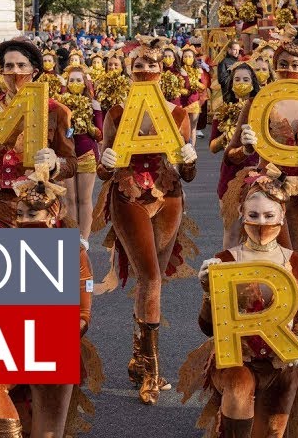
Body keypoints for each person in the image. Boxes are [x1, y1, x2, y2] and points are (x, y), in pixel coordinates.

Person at [179, 165, 298, 438]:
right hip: (237, 361)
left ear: (282, 216)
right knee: (239, 398)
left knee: (270, 433)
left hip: (280, 363)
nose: (262, 222)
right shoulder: (224, 261)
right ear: (241, 215)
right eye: (253, 215)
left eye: (269, 215)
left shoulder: (296, 263)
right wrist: (208, 293)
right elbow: (209, 328)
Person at [94, 37, 199, 405]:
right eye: (138, 65)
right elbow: (104, 170)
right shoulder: (118, 112)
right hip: (128, 195)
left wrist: (188, 158)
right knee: (150, 277)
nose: (145, 71)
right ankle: (153, 372)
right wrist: (104, 164)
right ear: (129, 70)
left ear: (162, 69)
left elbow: (188, 174)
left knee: (151, 280)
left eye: (152, 65)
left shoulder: (178, 114)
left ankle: (140, 357)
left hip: (168, 196)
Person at [0, 162, 99, 438]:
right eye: (20, 214)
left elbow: (83, 313)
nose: (25, 220)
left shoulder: (73, 253)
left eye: (33, 213)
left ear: (52, 215)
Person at [228, 27, 298, 263]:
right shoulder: (257, 104)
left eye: (295, 65)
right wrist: (246, 148)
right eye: (283, 64)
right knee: (277, 260)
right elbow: (230, 156)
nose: (289, 70)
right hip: (268, 190)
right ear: (275, 67)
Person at [0, 38, 77, 228]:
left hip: (38, 209)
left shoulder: (57, 112)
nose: (15, 71)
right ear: (1, 72)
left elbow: (72, 163)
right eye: (8, 66)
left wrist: (54, 164)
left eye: (21, 65)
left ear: (34, 71)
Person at [211, 62, 260, 246]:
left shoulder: (262, 110)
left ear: (253, 83)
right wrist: (225, 137)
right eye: (237, 79)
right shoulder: (221, 112)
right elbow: (213, 147)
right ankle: (229, 270)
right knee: (231, 231)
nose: (241, 83)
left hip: (256, 173)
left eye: (246, 79)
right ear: (231, 84)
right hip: (230, 175)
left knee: (256, 231)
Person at [61, 61, 103, 245]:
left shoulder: (93, 103)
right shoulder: (60, 104)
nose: (75, 83)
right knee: (70, 198)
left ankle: (84, 240)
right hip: (66, 153)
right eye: (71, 80)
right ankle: (72, 236)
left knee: (84, 199)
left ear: (85, 82)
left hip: (86, 152)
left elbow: (100, 134)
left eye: (78, 80)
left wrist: (88, 126)